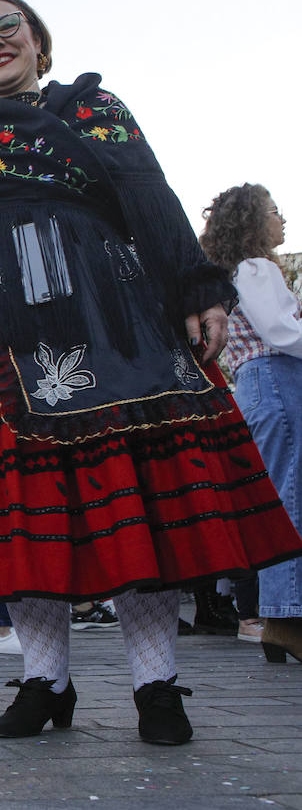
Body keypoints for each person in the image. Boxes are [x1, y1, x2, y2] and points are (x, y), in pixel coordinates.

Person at [0, 0, 302, 745]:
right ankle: (46, 679)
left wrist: (199, 288)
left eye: (7, 26)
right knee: (26, 525)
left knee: (136, 512)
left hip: (118, 331)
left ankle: (156, 683)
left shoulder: (95, 111)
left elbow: (151, 198)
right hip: (5, 346)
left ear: (40, 41)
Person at [200, 183, 302, 662]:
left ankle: (277, 616)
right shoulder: (258, 268)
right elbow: (282, 331)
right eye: (274, 212)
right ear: (253, 222)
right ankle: (284, 616)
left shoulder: (231, 275)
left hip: (255, 383)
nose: (281, 219)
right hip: (278, 379)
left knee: (279, 497)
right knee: (290, 498)